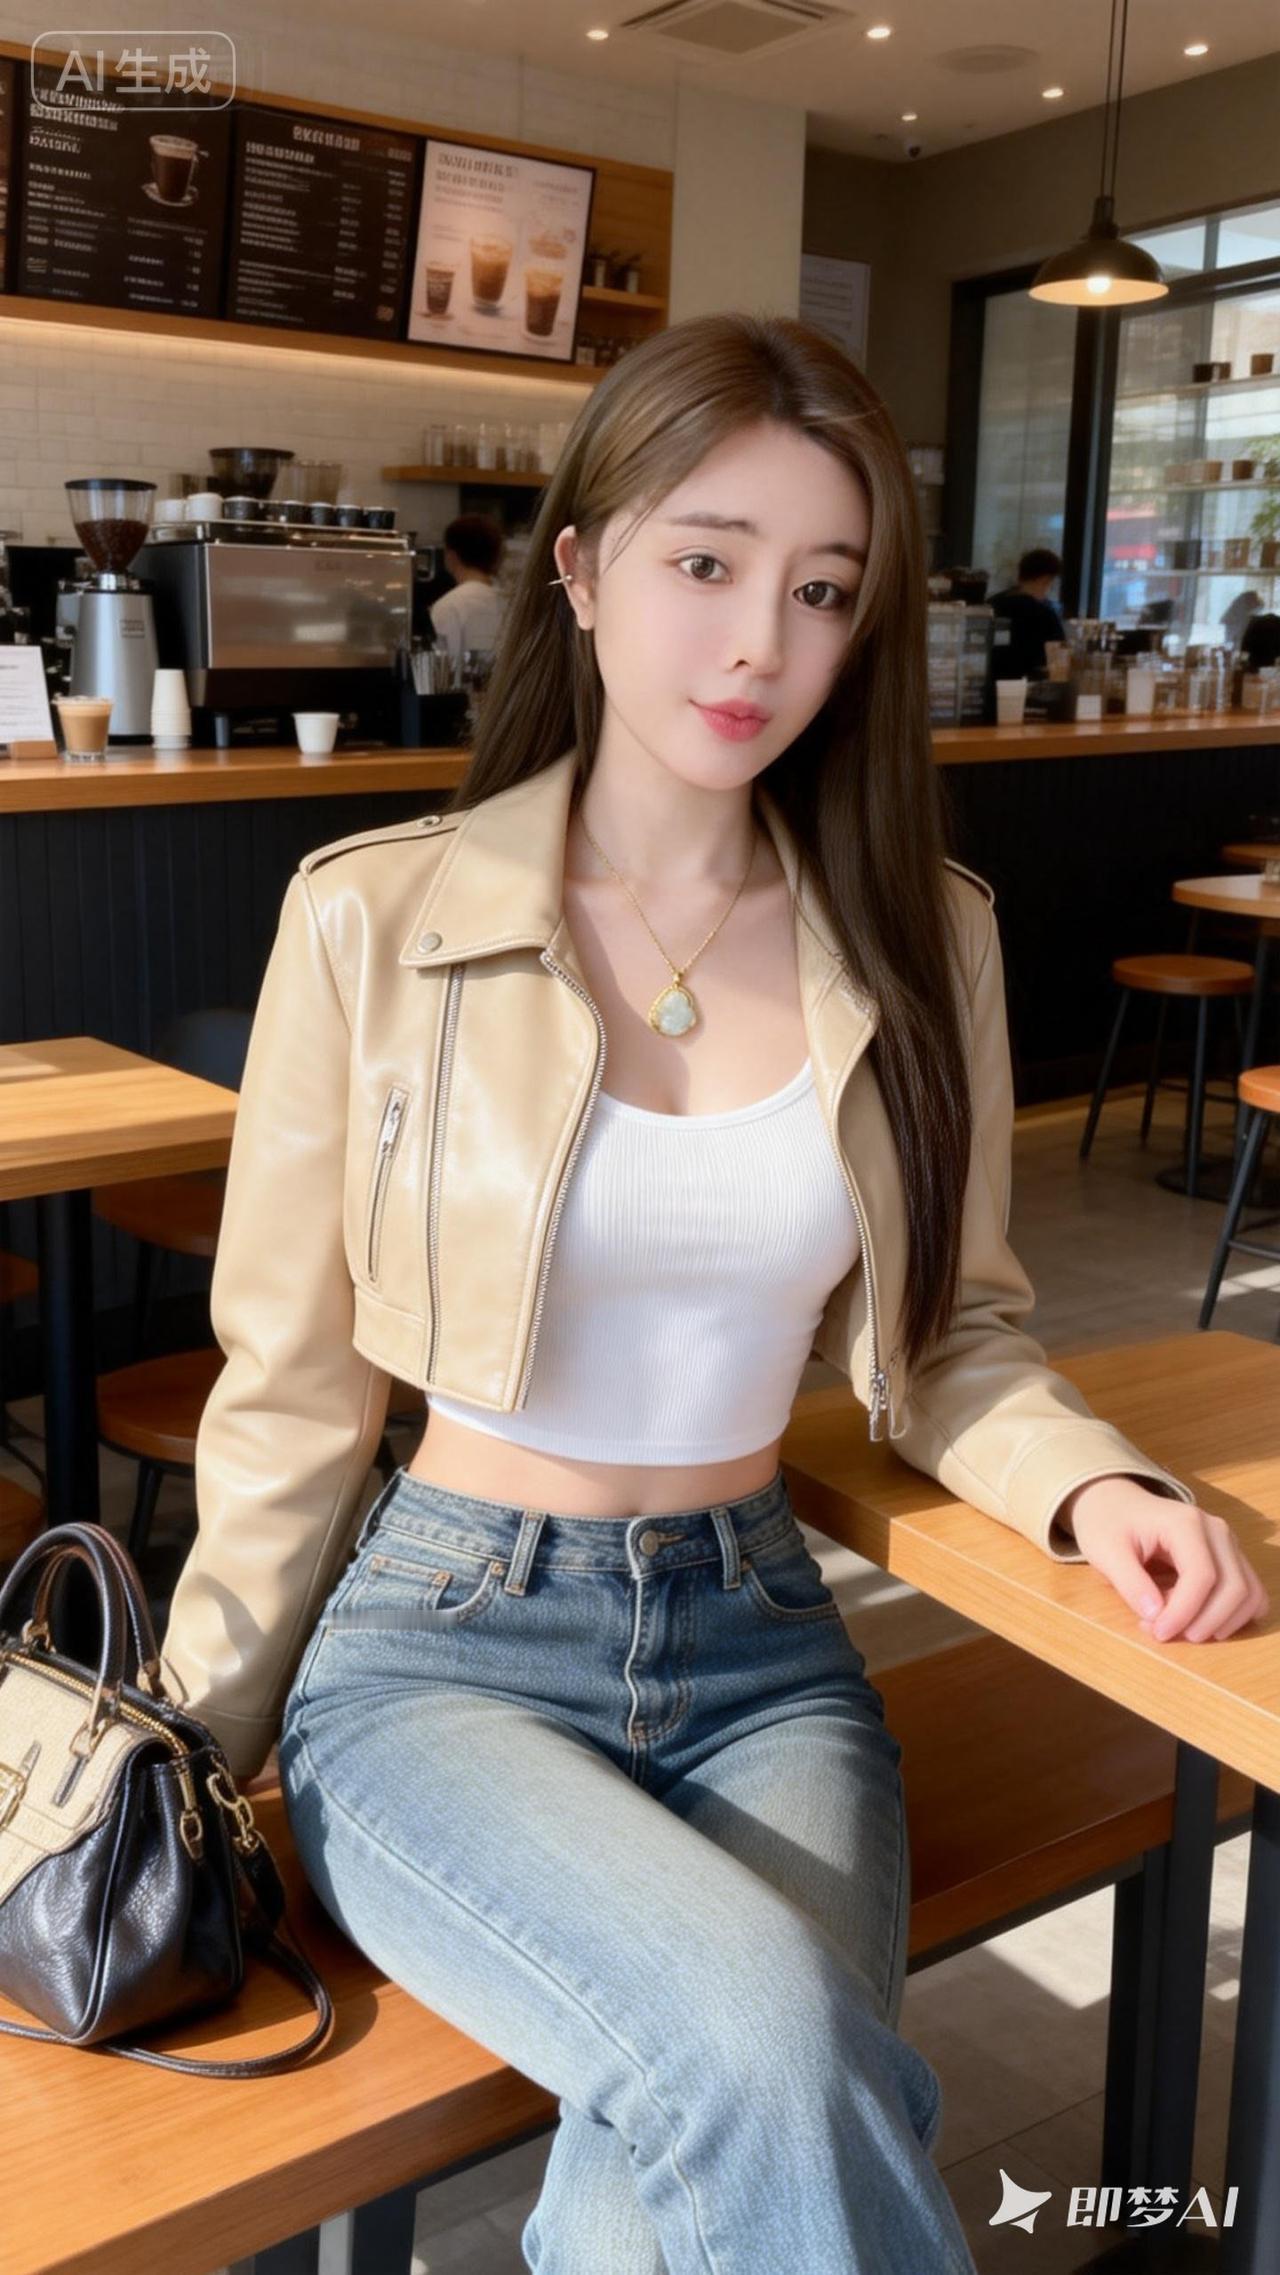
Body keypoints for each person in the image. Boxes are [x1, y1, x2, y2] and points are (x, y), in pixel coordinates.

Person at [158, 313, 1267, 2275]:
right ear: (581, 571)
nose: (760, 641)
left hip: (763, 1646)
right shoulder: (375, 916)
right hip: (442, 1656)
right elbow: (289, 1389)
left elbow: (953, 1338)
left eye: (821, 590)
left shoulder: (923, 936)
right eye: (705, 562)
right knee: (765, 2047)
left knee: (679, 2169)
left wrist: (1095, 1484)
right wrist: (183, 1749)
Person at [427, 510, 507, 669]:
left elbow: (447, 668)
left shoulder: (447, 606)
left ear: (451, 556)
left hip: (465, 684)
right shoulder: (512, 602)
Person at [990, 545, 1066, 676]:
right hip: (1029, 684)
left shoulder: (992, 604)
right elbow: (1058, 661)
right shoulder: (1045, 615)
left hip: (990, 683)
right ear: (1045, 580)